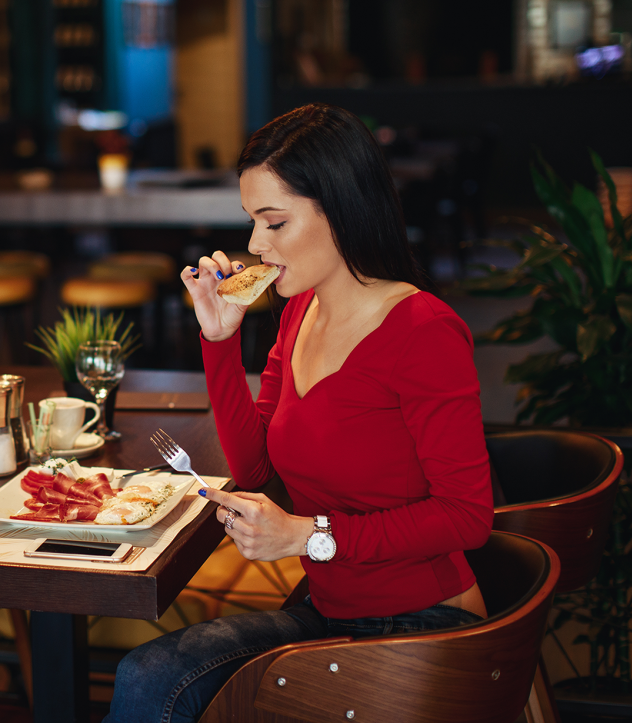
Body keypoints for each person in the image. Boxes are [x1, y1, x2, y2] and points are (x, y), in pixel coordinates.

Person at [104, 103, 494, 723]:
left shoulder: (423, 330)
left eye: (275, 222)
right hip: (331, 609)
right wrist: (219, 340)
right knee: (148, 673)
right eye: (252, 222)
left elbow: (468, 515)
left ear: (340, 209)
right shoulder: (299, 309)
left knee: (161, 683)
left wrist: (308, 535)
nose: (256, 244)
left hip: (422, 625)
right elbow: (256, 467)